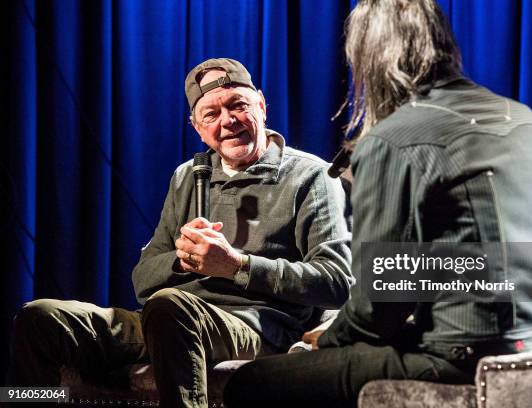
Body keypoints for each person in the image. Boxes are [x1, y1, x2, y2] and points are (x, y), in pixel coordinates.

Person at [223, 1, 532, 407]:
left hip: (468, 358)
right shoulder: (523, 118)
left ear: (373, 56)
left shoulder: (394, 139)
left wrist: (328, 340)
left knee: (251, 384)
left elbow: (378, 312)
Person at [7, 58, 353, 408]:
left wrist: (237, 265)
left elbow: (337, 283)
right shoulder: (188, 176)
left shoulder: (313, 177)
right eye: (211, 115)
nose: (228, 120)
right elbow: (142, 280)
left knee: (169, 306)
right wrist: (184, 262)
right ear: (197, 128)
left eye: (238, 105)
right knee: (39, 317)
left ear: (262, 106)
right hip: (165, 320)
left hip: (253, 328)